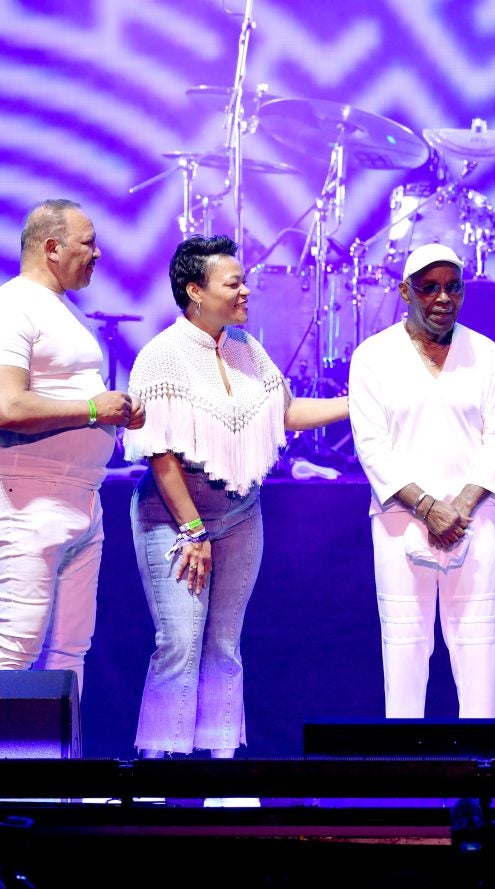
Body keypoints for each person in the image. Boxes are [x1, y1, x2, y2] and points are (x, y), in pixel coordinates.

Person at [123, 234, 348, 757]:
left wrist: (354, 402)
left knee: (225, 645)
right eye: (235, 283)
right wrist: (192, 530)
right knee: (179, 644)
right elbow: (160, 453)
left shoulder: (246, 348)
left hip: (241, 511)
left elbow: (286, 412)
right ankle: (161, 769)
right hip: (175, 514)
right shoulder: (162, 356)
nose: (247, 291)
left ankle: (222, 773)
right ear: (195, 290)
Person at [0, 199, 144, 698]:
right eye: (87, 243)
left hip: (79, 497)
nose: (98, 253)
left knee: (69, 649)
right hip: (26, 495)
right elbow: (7, 407)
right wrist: (94, 410)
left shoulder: (63, 310)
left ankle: (55, 767)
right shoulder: (9, 307)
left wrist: (119, 414)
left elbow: (68, 395)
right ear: (51, 247)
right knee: (18, 643)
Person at [348, 243, 495, 717]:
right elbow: (372, 446)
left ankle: (482, 783)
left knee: (481, 654)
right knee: (403, 655)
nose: (443, 298)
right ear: (405, 292)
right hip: (401, 523)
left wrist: (458, 506)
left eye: (453, 287)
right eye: (429, 288)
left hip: (473, 522)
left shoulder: (485, 354)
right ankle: (406, 783)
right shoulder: (372, 357)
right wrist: (426, 506)